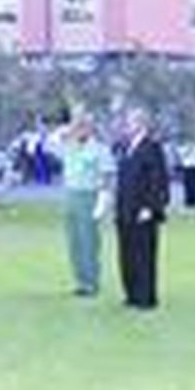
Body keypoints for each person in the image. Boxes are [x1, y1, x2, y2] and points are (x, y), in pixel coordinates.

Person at [114, 108, 169, 310]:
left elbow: (158, 180)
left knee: (143, 254)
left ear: (141, 124)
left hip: (142, 211)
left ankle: (146, 296)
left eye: (130, 123)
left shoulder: (152, 148)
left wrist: (150, 207)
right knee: (127, 253)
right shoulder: (126, 148)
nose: (127, 127)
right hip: (125, 210)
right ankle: (131, 294)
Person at [58, 115, 110, 297]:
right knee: (74, 242)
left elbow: (107, 176)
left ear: (90, 129)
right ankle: (80, 280)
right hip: (71, 195)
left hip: (89, 195)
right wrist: (66, 132)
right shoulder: (69, 147)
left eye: (82, 127)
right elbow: (52, 143)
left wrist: (103, 202)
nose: (78, 131)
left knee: (89, 242)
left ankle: (91, 282)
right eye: (76, 127)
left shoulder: (99, 149)